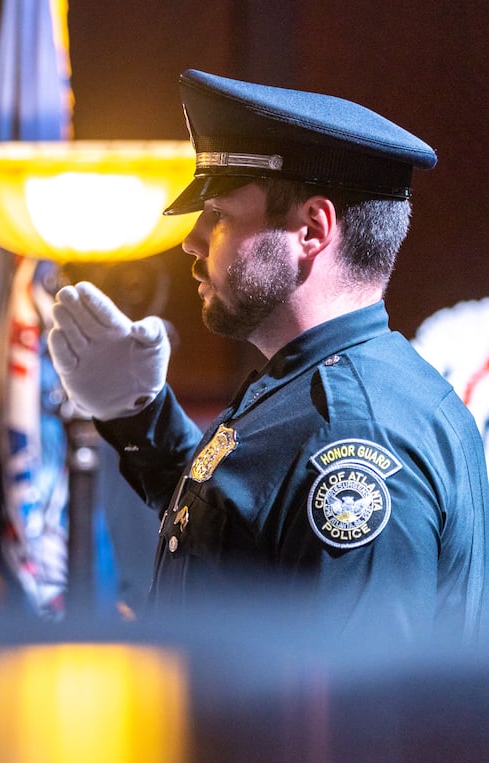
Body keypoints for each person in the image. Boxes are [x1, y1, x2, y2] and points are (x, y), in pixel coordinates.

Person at [47, 69, 488, 641]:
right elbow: (242, 534)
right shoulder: (317, 386)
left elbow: (357, 693)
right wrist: (138, 414)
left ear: (311, 230)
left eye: (219, 215)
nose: (191, 241)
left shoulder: (352, 437)